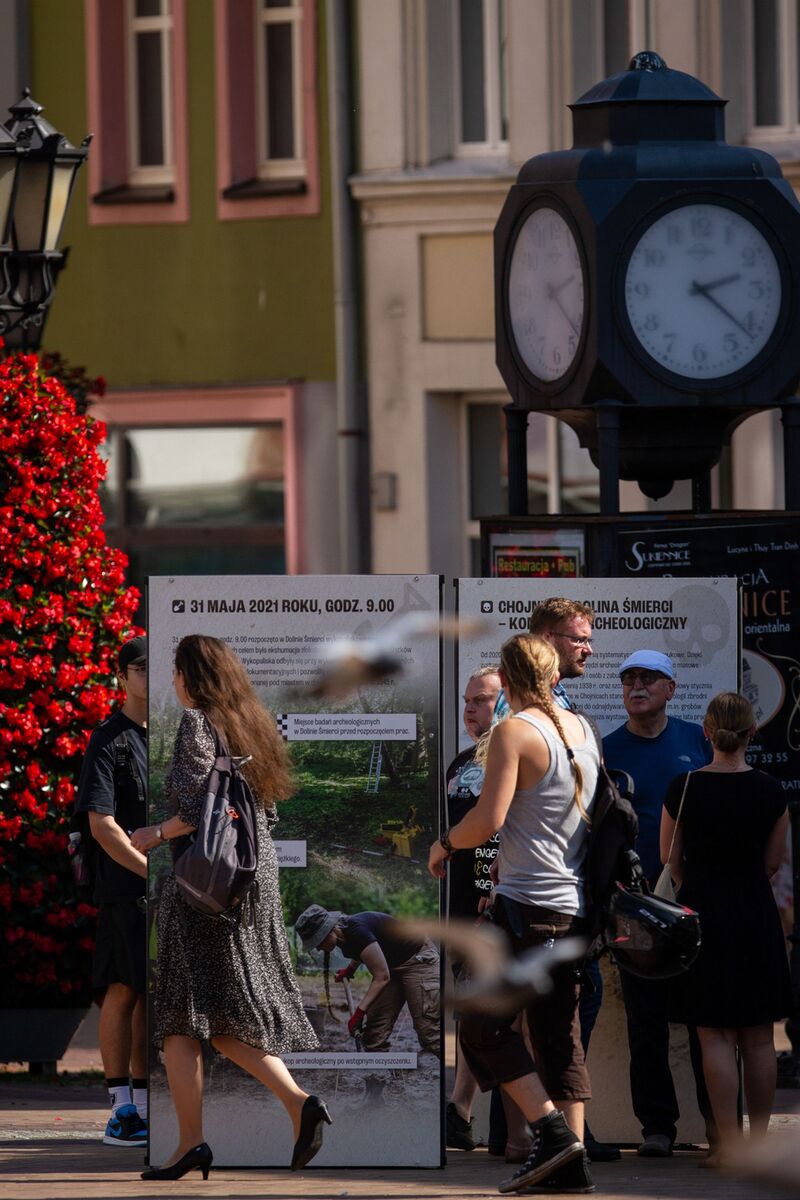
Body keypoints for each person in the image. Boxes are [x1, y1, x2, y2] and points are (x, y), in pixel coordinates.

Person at [131, 635, 330, 1180]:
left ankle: (197, 1141)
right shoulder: (250, 724)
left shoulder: (197, 723)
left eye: (176, 671)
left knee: (180, 1012)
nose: (172, 680)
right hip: (248, 879)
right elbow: (262, 812)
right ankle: (293, 1104)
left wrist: (152, 834)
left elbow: (196, 810)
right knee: (213, 1016)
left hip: (205, 884)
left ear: (193, 676)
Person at [429, 634, 599, 1195]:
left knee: (480, 1022)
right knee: (557, 1036)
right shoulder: (580, 730)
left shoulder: (515, 732)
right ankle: (570, 1164)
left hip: (529, 905)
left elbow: (487, 820)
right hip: (571, 907)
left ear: (508, 677)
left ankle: (552, 1137)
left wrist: (445, 844)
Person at [661, 692, 791, 1167]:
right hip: (755, 915)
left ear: (707, 733)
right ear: (752, 733)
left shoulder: (685, 787)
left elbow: (668, 863)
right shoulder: (771, 791)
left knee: (713, 1036)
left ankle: (729, 1148)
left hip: (702, 917)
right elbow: (774, 864)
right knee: (758, 1037)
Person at [603, 648, 713, 1158]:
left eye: (649, 679)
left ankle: (718, 1123)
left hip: (696, 904)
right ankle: (658, 1129)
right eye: (629, 679)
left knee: (704, 1018)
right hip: (636, 906)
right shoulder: (606, 751)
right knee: (645, 1022)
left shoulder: (698, 740)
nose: (637, 686)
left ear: (671, 688)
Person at [527, 598, 618, 1163]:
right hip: (536, 889)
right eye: (578, 638)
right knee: (551, 1017)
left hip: (566, 884)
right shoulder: (526, 712)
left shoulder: (566, 709)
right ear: (548, 639)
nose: (587, 648)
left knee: (554, 1013)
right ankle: (554, 1137)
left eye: (588, 638)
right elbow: (501, 807)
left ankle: (553, 1136)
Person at [445, 667, 527, 1160]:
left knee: (496, 1018)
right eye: (467, 700)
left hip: (500, 906)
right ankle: (464, 1112)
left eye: (481, 699)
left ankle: (510, 1127)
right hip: (457, 907)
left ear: (505, 702)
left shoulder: (516, 755)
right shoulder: (458, 763)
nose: (470, 708)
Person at [74, 634, 148, 1147]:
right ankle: (120, 1107)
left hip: (169, 891)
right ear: (121, 676)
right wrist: (150, 870)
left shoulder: (174, 734)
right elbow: (102, 825)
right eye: (139, 668)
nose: (149, 676)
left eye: (157, 667)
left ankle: (145, 1103)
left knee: (151, 994)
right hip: (126, 888)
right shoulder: (109, 739)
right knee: (121, 992)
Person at [294, 906, 440, 1055]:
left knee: (429, 1033)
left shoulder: (357, 931)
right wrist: (350, 970)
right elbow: (363, 950)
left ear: (328, 930)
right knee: (373, 1034)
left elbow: (382, 977)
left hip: (419, 960)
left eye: (318, 942)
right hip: (390, 966)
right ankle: (381, 1076)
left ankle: (455, 1072)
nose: (318, 948)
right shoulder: (342, 936)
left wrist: (359, 1013)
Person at [528, 597, 594, 712]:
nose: (589, 650)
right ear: (547, 639)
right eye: (579, 640)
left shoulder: (556, 690)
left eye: (588, 641)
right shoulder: (520, 694)